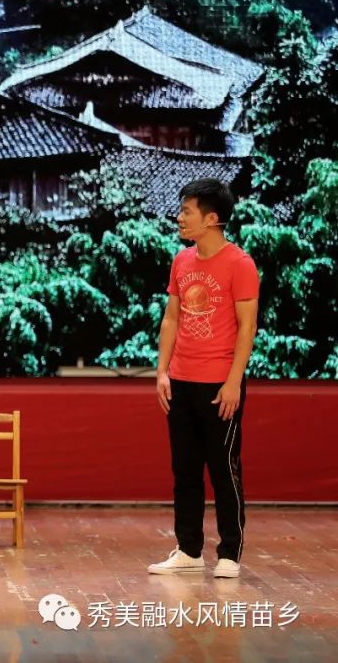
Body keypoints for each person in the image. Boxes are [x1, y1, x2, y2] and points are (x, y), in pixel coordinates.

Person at [149, 179, 259, 579]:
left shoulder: (240, 264)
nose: (180, 218)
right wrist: (162, 371)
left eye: (187, 211)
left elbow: (247, 328)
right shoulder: (182, 261)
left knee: (224, 470)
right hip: (181, 381)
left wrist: (233, 382)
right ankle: (189, 550)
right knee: (185, 471)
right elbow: (171, 318)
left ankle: (229, 553)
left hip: (219, 384)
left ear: (212, 219)